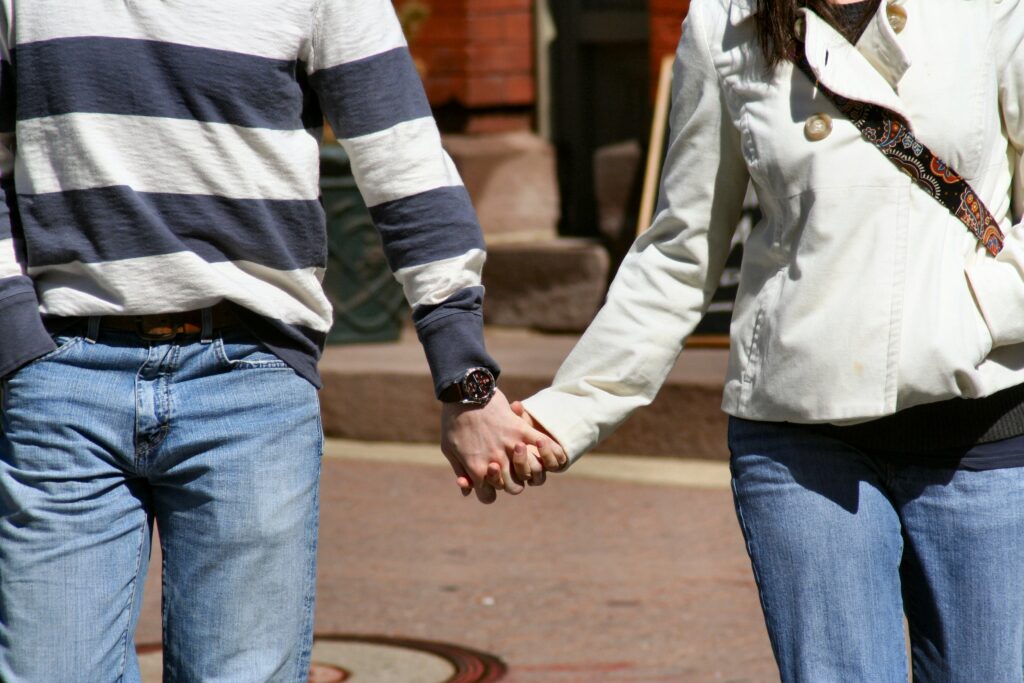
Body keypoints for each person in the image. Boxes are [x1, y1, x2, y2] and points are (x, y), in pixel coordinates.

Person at [0, 0, 562, 680]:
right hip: (64, 378)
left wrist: (466, 380)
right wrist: (16, 340)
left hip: (249, 381)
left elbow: (402, 157)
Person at [501, 0, 1024, 680]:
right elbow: (680, 251)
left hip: (978, 425)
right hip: (802, 433)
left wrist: (988, 309)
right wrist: (569, 408)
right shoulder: (725, 19)